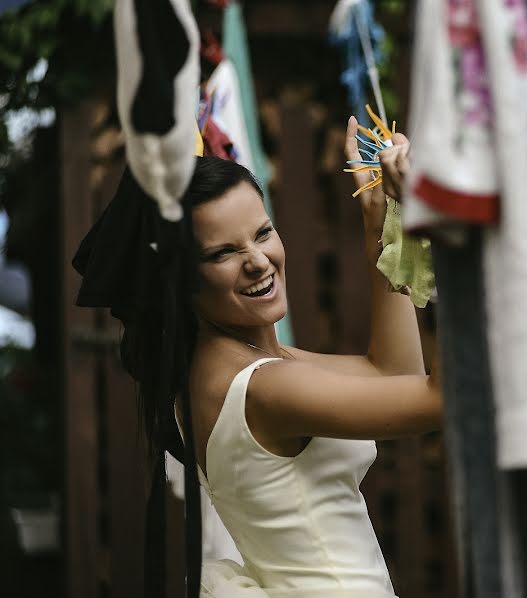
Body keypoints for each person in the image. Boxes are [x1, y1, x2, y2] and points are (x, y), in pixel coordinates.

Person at [75, 116, 441, 598]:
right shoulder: (260, 386)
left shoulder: (230, 366)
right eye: (222, 252)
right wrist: (445, 231)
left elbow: (396, 375)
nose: (257, 260)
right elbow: (441, 401)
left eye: (263, 233)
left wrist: (382, 219)